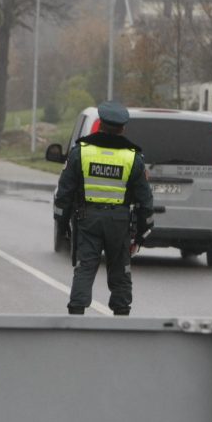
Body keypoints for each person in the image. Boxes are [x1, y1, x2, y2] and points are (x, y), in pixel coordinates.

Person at [54, 101, 154, 316]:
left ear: (100, 125)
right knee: (120, 272)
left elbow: (64, 194)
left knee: (85, 268)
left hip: (87, 219)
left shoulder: (80, 153)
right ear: (122, 128)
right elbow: (145, 201)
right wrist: (142, 234)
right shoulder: (133, 157)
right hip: (119, 223)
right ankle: (120, 317)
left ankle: (77, 316)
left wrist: (62, 225)